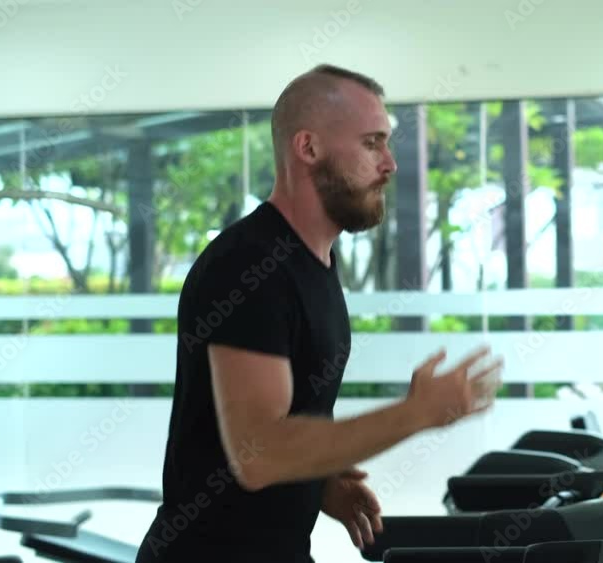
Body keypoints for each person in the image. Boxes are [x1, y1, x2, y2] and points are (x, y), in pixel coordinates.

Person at [134, 64, 503, 563]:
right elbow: (258, 453)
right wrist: (416, 412)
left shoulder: (315, 262)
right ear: (308, 149)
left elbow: (267, 433)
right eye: (372, 143)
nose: (390, 163)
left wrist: (320, 482)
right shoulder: (250, 267)